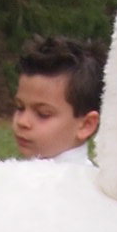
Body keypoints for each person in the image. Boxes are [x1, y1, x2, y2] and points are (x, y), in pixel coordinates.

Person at [13, 32, 104, 161]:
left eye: (43, 114)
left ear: (86, 125)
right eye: (20, 107)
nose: (22, 122)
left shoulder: (78, 175)